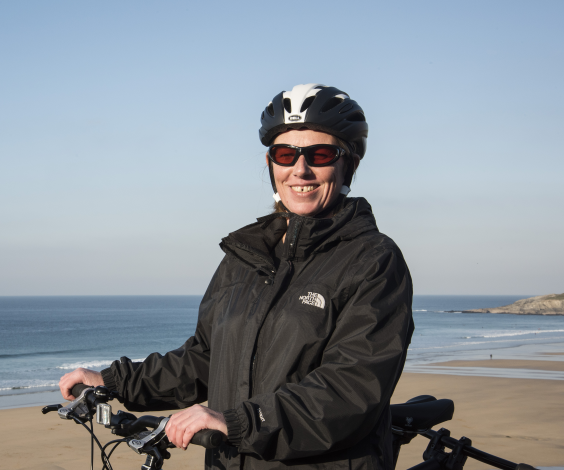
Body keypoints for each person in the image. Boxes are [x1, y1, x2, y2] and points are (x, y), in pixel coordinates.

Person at [59, 84, 414, 470]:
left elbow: (351, 389)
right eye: (285, 154)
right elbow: (204, 359)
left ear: (349, 164)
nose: (300, 169)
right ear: (270, 164)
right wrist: (114, 381)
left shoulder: (373, 260)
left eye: (320, 154)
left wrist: (239, 421)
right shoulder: (246, 258)